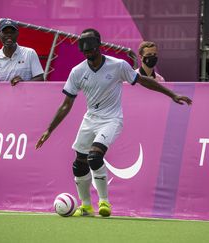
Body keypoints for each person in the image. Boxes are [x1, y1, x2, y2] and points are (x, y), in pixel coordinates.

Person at [35, 28, 192, 217]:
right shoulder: (77, 72)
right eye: (84, 50)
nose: (88, 53)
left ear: (99, 46)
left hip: (111, 119)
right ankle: (85, 206)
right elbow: (66, 104)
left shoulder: (118, 65)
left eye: (91, 49)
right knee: (79, 164)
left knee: (94, 157)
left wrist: (172, 94)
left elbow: (143, 81)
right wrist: (49, 130)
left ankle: (104, 202)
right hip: (90, 119)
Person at [0, 18, 44, 86]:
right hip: (3, 96)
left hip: (26, 96)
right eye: (5, 32)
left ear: (17, 34)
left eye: (12, 32)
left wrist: (23, 84)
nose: (9, 35)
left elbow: (40, 78)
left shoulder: (29, 53)